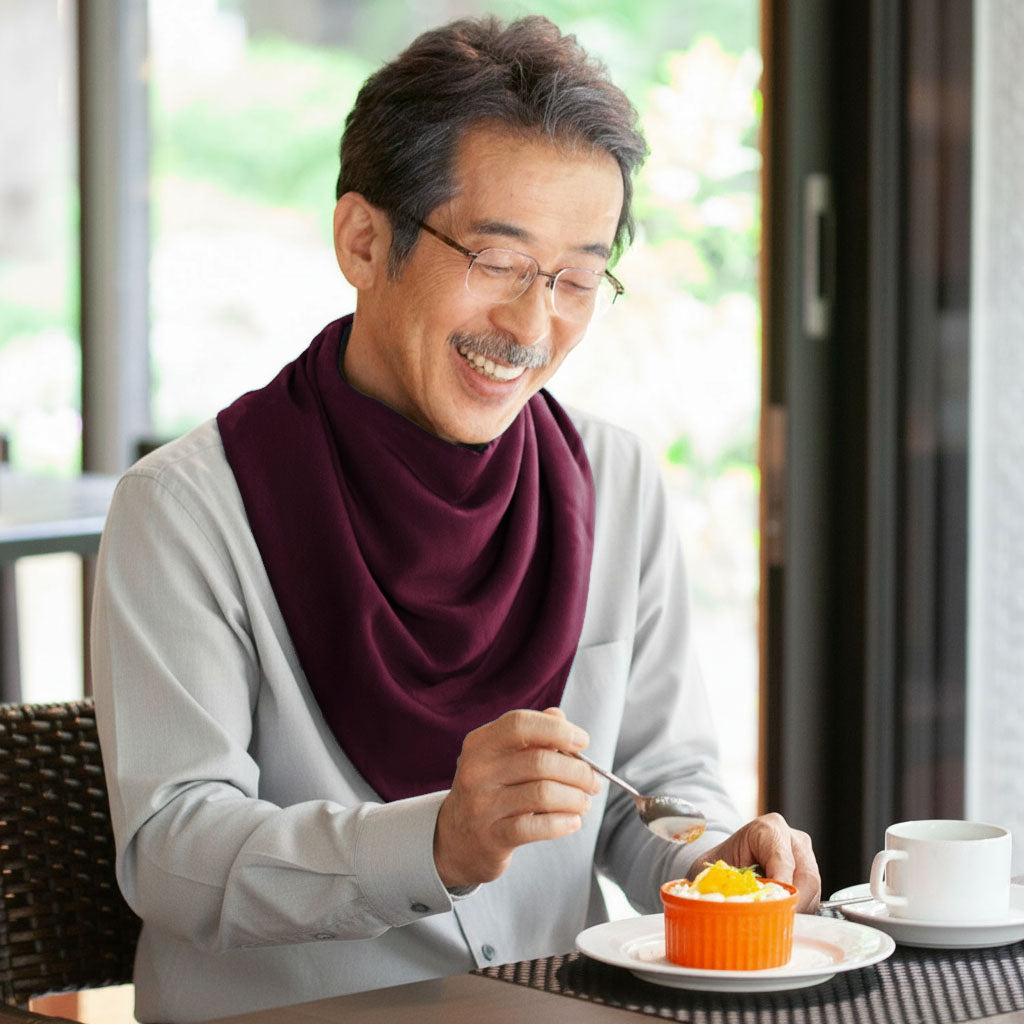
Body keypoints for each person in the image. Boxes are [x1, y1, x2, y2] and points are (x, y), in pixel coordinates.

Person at [91, 14, 820, 1023]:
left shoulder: (615, 481)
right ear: (360, 238)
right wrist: (435, 842)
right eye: (495, 259)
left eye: (574, 277)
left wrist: (707, 853)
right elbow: (171, 853)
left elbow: (646, 785)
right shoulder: (186, 510)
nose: (531, 327)